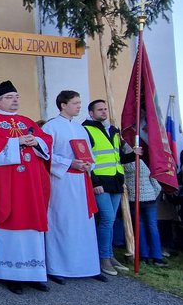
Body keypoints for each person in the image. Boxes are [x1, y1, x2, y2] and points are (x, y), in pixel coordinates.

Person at [0, 80, 52, 294]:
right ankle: (11, 275)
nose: (14, 100)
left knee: (31, 225)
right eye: (9, 97)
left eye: (16, 96)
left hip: (30, 185)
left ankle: (34, 274)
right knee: (9, 224)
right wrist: (17, 143)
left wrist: (36, 142)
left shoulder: (27, 121)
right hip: (5, 183)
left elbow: (46, 141)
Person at [42, 91, 104, 284]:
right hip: (62, 182)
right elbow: (45, 155)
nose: (79, 106)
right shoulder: (50, 127)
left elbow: (90, 153)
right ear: (63, 105)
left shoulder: (80, 129)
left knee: (84, 225)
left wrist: (88, 164)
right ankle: (57, 267)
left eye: (79, 102)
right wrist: (69, 163)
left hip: (81, 181)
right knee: (62, 222)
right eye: (75, 103)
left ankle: (88, 265)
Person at [83, 99, 136, 276]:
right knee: (106, 218)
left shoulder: (114, 131)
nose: (104, 112)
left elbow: (118, 156)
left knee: (111, 219)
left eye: (105, 109)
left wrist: (135, 154)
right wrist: (94, 181)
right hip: (100, 180)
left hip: (116, 178)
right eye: (100, 109)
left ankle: (110, 255)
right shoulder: (86, 129)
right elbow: (87, 158)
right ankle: (103, 257)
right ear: (91, 113)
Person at [124, 157, 166, 266]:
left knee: (139, 228)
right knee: (153, 227)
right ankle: (157, 257)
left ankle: (143, 256)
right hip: (149, 199)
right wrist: (152, 196)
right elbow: (157, 186)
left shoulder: (124, 166)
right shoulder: (145, 164)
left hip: (134, 200)